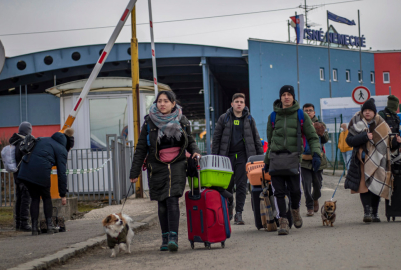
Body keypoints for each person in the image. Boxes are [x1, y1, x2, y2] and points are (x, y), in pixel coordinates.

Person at [129, 91, 200, 252]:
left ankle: (173, 237)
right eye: (159, 101)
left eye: (166, 101)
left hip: (178, 165)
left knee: (172, 199)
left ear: (173, 103)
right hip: (157, 166)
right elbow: (141, 148)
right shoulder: (149, 122)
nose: (162, 104)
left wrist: (195, 152)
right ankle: (165, 237)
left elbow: (190, 141)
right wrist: (135, 172)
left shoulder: (182, 120)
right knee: (162, 202)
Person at [263, 85, 322, 235]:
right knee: (278, 192)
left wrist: (316, 153)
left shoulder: (301, 115)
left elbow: (313, 137)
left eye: (289, 94)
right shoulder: (273, 116)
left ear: (293, 97)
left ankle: (295, 210)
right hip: (276, 158)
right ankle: (283, 220)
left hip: (293, 158)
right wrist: (266, 161)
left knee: (295, 190)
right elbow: (270, 142)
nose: (286, 97)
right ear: (280, 97)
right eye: (284, 94)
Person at [345, 98, 401, 223]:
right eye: (365, 110)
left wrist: (397, 142)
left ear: (374, 112)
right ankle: (367, 212)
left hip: (379, 160)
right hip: (361, 160)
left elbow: (388, 143)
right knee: (364, 187)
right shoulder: (355, 122)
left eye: (370, 110)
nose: (367, 112)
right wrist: (364, 136)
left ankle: (375, 213)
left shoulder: (382, 123)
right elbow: (349, 141)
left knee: (376, 186)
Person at [211, 93, 263, 225]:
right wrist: (215, 158)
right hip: (226, 157)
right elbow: (216, 139)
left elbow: (256, 139)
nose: (239, 104)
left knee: (241, 185)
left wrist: (260, 157)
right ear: (232, 104)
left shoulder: (249, 119)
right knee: (227, 185)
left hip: (243, 156)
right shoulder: (224, 118)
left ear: (244, 105)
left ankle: (239, 214)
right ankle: (229, 208)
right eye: (237, 101)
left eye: (241, 102)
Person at [17, 128, 71, 235]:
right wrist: (63, 194)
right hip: (41, 171)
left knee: (35, 198)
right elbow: (62, 173)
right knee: (46, 197)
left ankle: (34, 228)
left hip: (25, 170)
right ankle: (50, 226)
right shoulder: (61, 149)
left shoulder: (43, 139)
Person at [301, 103, 329, 216]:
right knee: (306, 185)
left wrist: (318, 130)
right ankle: (309, 206)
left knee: (317, 184)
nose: (308, 112)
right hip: (304, 160)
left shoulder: (320, 124)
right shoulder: (299, 124)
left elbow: (326, 139)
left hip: (318, 159)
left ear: (314, 112)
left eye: (310, 110)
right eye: (306, 110)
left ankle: (315, 198)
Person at [8, 122, 32, 232]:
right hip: (24, 175)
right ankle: (24, 223)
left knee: (19, 199)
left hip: (17, 174)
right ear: (28, 130)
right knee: (25, 199)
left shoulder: (15, 141)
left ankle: (18, 223)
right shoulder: (24, 142)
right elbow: (26, 158)